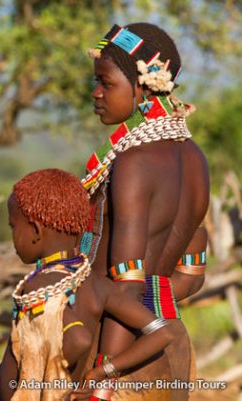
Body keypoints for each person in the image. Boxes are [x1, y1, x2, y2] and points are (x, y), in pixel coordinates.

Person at [82, 22, 210, 400]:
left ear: (142, 87)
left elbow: (128, 285)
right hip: (169, 337)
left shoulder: (135, 161)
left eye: (106, 83)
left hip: (118, 345)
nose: (97, 93)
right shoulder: (194, 157)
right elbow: (192, 272)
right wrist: (157, 307)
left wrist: (104, 377)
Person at [0, 169, 175, 401]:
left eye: (13, 226)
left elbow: (78, 339)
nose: (13, 235)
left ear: (36, 231)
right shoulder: (97, 284)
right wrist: (101, 372)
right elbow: (161, 332)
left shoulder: (40, 284)